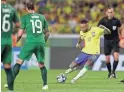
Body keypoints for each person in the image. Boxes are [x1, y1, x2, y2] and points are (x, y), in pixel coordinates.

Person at [12, 3, 50, 90]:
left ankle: (10, 81)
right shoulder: (42, 17)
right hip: (40, 42)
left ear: (26, 9)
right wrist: (43, 41)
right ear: (34, 8)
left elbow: (20, 33)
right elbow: (48, 33)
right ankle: (45, 85)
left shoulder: (25, 18)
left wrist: (17, 40)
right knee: (41, 64)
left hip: (30, 42)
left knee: (19, 61)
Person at [1, 0, 20, 92]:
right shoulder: (12, 9)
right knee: (8, 68)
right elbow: (18, 24)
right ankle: (11, 90)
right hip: (8, 40)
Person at [98, 7, 121, 78]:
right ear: (106, 13)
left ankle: (113, 73)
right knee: (107, 59)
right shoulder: (103, 20)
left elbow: (120, 28)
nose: (110, 13)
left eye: (111, 12)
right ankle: (109, 72)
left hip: (115, 40)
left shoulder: (116, 21)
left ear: (113, 13)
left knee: (116, 57)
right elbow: (98, 28)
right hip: (107, 41)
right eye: (109, 12)